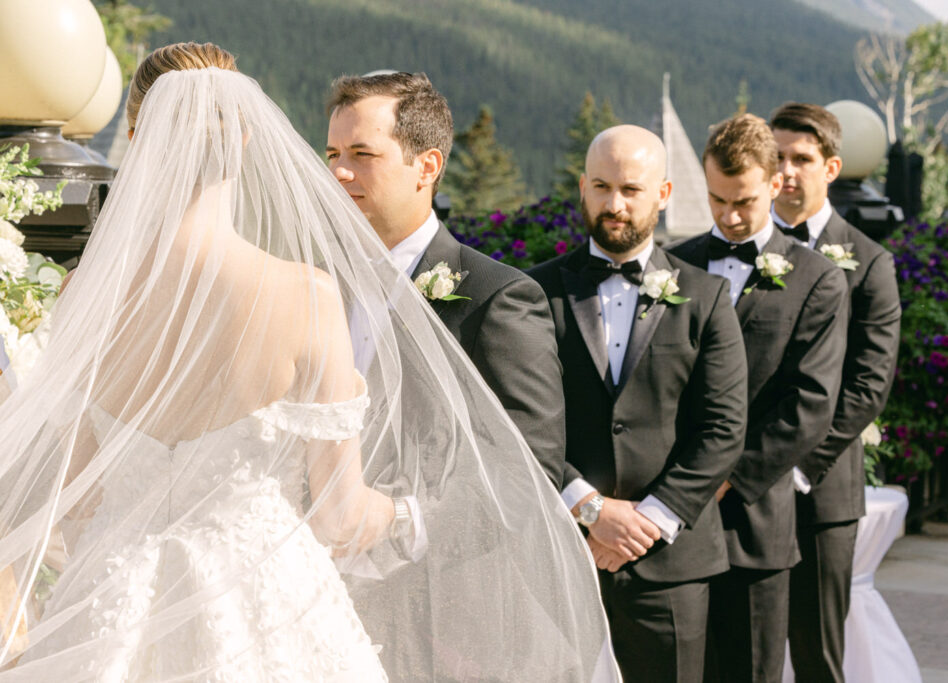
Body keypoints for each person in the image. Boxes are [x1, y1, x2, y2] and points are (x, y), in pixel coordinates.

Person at [0, 43, 618, 681]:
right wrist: (404, 516)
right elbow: (339, 517)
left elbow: (75, 491)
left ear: (136, 136)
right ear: (244, 136)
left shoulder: (84, 294)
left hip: (109, 599)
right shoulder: (304, 295)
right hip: (261, 605)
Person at [529, 125, 748, 682]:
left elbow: (724, 429)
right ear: (582, 187)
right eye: (600, 187)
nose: (614, 204)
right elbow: (526, 421)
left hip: (670, 565)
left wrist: (646, 522)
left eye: (630, 189)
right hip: (561, 556)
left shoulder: (706, 297)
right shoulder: (535, 293)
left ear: (665, 194)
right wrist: (590, 510)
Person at [668, 114, 849, 683]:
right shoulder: (674, 266)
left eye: (742, 200)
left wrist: (726, 476)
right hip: (673, 520)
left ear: (774, 185)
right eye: (716, 199)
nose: (728, 216)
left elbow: (810, 404)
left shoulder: (819, 279)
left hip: (755, 521)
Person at [324, 72, 566, 487]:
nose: (339, 173)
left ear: (427, 166)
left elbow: (530, 474)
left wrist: (402, 521)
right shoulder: (313, 285)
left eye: (361, 154)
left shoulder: (496, 299)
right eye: (333, 154)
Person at [770, 102, 901, 683]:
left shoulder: (870, 264)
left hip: (820, 492)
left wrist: (795, 467)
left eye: (802, 158)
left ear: (832, 166)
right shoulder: (739, 254)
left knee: (819, 654)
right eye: (777, 158)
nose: (788, 170)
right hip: (737, 490)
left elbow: (868, 385)